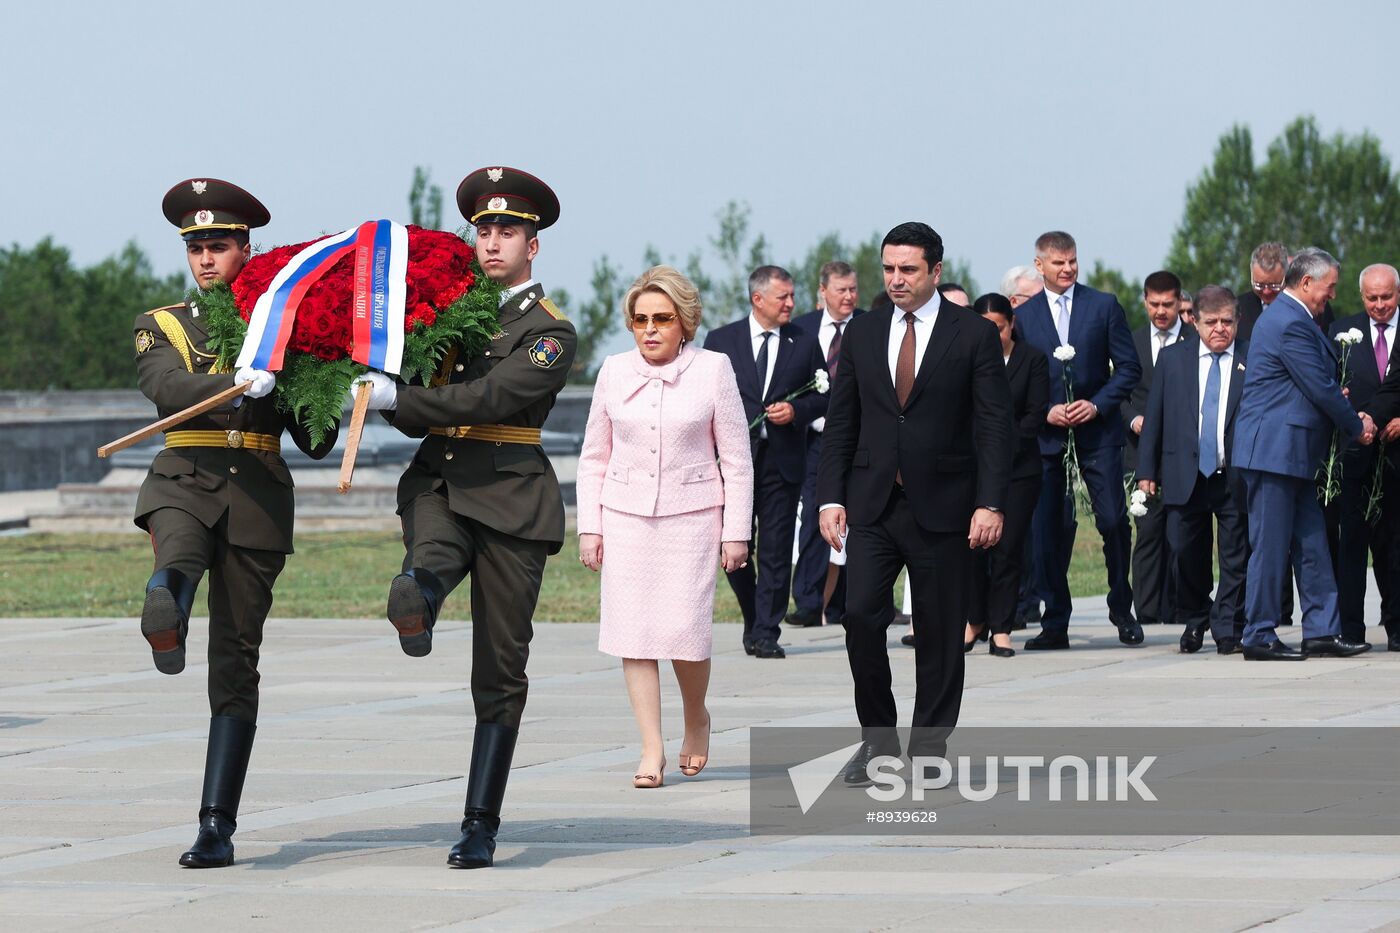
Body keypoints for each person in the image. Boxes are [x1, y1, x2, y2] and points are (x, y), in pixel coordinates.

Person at [353, 166, 576, 867]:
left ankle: (480, 821)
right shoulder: (447, 318)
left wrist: (401, 401)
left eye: (507, 231)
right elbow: (416, 386)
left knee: (499, 670)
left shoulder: (550, 333)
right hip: (443, 483)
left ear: (532, 246)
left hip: (511, 496)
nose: (492, 241)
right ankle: (417, 594)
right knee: (432, 556)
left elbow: (488, 399)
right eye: (484, 229)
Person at [134, 178, 337, 868]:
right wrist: (236, 383)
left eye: (218, 246)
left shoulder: (286, 325)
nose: (205, 258)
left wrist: (324, 375)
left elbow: (317, 437)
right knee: (178, 554)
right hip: (184, 476)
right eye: (196, 247)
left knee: (236, 659)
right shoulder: (164, 322)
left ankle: (216, 823)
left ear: (245, 249)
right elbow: (165, 387)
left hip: (254, 490)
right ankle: (168, 607)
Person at [817, 221, 1012, 782]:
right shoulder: (862, 332)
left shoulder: (972, 334)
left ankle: (929, 744)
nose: (896, 280)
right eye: (889, 269)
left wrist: (991, 502)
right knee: (858, 617)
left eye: (909, 269)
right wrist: (831, 497)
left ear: (935, 271)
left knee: (939, 629)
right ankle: (877, 741)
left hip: (947, 506)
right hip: (873, 504)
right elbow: (842, 424)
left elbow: (994, 427)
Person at [576, 266, 752, 787]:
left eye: (662, 319)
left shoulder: (715, 370)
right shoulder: (612, 370)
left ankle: (696, 717)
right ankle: (651, 747)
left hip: (693, 519)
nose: (650, 329)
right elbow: (592, 458)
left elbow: (737, 459)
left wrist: (735, 531)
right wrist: (591, 527)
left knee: (686, 634)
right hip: (625, 517)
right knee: (634, 635)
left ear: (684, 323)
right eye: (640, 320)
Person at [1232, 248, 1373, 660]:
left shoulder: (1290, 318)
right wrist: (1355, 424)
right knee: (1271, 546)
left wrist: (1334, 399)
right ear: (1307, 282)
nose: (1331, 296)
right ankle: (1258, 634)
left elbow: (1305, 384)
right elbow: (1319, 386)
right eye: (1329, 288)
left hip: (1290, 452)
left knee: (1312, 544)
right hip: (1274, 451)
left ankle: (1321, 631)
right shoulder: (1289, 321)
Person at [1016, 231, 1142, 649]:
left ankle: (1122, 607)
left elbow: (1128, 369)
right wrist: (1044, 411)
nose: (1067, 269)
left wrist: (1098, 404)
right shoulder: (1025, 316)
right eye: (1058, 263)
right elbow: (1015, 379)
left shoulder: (1103, 306)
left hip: (1099, 435)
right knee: (1047, 530)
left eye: (1072, 261)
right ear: (1040, 266)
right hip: (1047, 439)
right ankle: (1055, 621)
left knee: (1112, 520)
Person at [703, 266, 828, 659]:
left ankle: (766, 632)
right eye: (783, 297)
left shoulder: (804, 343)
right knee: (735, 547)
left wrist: (795, 411)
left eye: (792, 296)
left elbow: (825, 394)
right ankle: (752, 614)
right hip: (733, 464)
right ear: (758, 299)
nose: (792, 303)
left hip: (782, 461)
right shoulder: (722, 340)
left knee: (776, 549)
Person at [1136, 286, 1249, 655]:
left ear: (1237, 321)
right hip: (1185, 473)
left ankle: (1227, 624)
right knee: (1184, 550)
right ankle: (1198, 614)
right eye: (1211, 322)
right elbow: (1155, 417)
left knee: (1235, 554)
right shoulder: (1173, 359)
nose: (1220, 329)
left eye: (1227, 322)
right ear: (1194, 322)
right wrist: (1146, 469)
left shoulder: (1252, 358)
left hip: (1233, 473)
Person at [964, 292, 1047, 658]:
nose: (992, 335)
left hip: (1018, 470)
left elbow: (1034, 414)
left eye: (997, 327)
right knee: (973, 549)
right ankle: (974, 620)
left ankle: (1002, 627)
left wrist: (999, 444)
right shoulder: (966, 360)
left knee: (1008, 549)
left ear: (1011, 324)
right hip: (973, 469)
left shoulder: (1032, 359)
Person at [1327, 264, 1400, 650]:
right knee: (1351, 544)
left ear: (1398, 293)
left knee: (1394, 546)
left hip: (1396, 457)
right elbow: (1327, 381)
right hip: (1356, 454)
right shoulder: (1342, 332)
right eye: (1371, 298)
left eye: (1386, 297)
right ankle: (1351, 629)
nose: (1379, 305)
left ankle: (1397, 627)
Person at [788, 261, 862, 628]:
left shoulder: (869, 325)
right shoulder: (800, 330)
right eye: (841, 290)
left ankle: (846, 602)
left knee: (861, 515)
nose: (849, 297)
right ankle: (808, 600)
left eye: (853, 289)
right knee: (818, 511)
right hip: (813, 437)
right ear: (823, 291)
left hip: (861, 438)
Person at [1123, 271, 1189, 627]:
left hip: (1184, 454)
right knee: (1148, 533)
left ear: (1179, 302)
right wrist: (1134, 420)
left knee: (1182, 534)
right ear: (1145, 301)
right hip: (1141, 452)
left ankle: (1182, 606)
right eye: (1154, 304)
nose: (1161, 311)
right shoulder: (1130, 343)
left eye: (1168, 304)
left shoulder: (1195, 342)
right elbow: (1117, 393)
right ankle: (1147, 612)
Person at [1236, 241, 1335, 341]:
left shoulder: (1315, 306)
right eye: (1259, 285)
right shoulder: (1238, 308)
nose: (1266, 291)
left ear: (1287, 275)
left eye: (1274, 285)